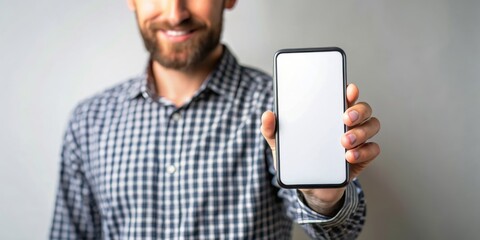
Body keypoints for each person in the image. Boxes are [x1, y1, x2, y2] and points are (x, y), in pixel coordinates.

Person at [50, 0, 381, 239]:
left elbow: (338, 233)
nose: (175, 13)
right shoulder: (88, 122)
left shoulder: (278, 109)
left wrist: (323, 198)